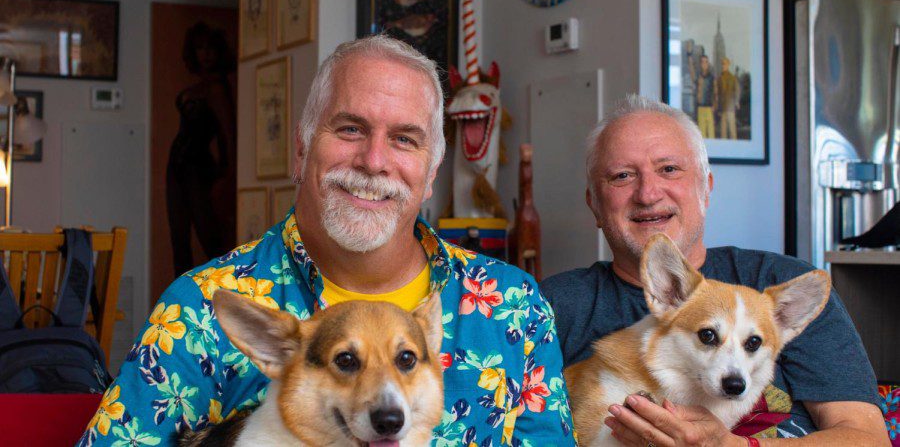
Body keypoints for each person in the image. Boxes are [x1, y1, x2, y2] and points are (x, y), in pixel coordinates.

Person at [79, 35, 574, 446]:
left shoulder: (515, 304)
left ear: (430, 174)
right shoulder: (199, 306)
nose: (374, 160)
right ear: (301, 148)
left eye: (404, 138)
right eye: (351, 128)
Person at [540, 95, 888, 446]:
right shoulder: (547, 304)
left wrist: (732, 446)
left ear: (706, 188)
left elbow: (869, 440)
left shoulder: (779, 282)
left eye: (669, 169)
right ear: (595, 205)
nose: (647, 193)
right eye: (622, 176)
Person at [166, 22, 236, 277]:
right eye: (199, 48)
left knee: (209, 236)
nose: (204, 54)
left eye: (209, 48)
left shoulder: (217, 88)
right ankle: (178, 302)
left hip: (198, 166)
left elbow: (229, 133)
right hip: (177, 165)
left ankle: (220, 293)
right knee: (178, 234)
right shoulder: (201, 87)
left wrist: (229, 174)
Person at [691, 55, 716, 139]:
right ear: (700, 64)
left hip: (709, 107)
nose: (704, 64)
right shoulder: (698, 77)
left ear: (708, 63)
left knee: (711, 131)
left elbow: (715, 92)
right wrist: (689, 56)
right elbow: (693, 75)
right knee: (702, 133)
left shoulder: (712, 77)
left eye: (706, 62)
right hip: (700, 107)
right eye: (702, 62)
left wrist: (714, 104)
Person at [716, 57, 739, 140]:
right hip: (723, 108)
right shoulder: (719, 78)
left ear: (728, 65)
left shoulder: (732, 78)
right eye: (722, 64)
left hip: (730, 108)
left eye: (725, 64)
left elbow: (736, 91)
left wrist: (736, 102)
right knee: (723, 132)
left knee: (732, 131)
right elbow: (717, 94)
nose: (723, 66)